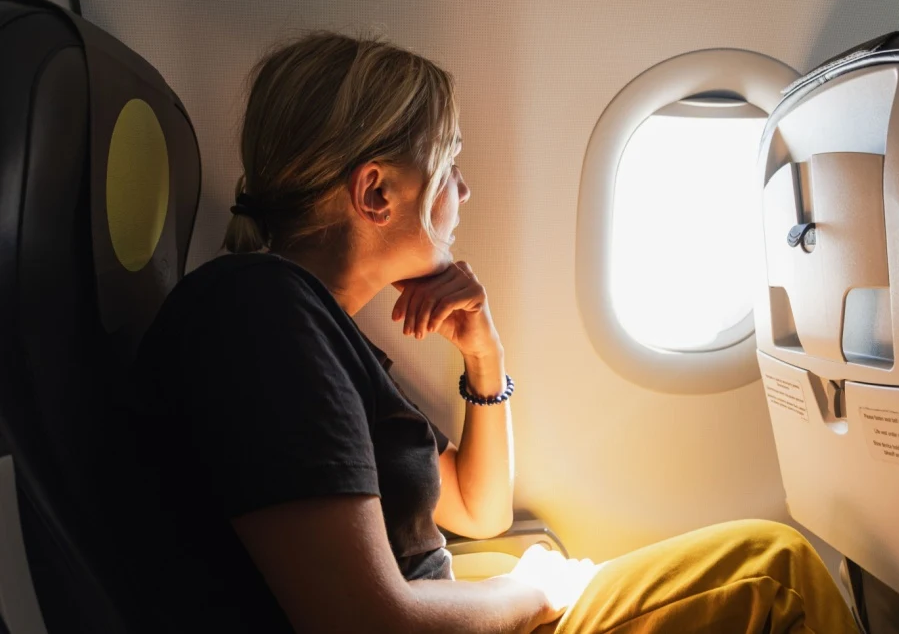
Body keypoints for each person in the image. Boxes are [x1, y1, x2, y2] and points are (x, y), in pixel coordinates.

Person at [133, 32, 860, 633]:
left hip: (445, 605)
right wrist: (535, 591)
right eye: (449, 165)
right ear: (377, 192)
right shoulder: (265, 319)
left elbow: (480, 510)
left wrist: (485, 356)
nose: (466, 190)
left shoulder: (311, 330)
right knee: (777, 570)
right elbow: (366, 622)